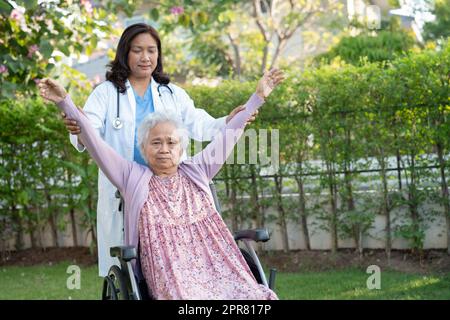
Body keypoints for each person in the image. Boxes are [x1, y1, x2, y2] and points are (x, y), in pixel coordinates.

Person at [39, 67, 284, 300]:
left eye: (171, 142)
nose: (164, 149)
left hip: (215, 263)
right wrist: (64, 101)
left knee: (252, 295)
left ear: (182, 147)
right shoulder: (131, 177)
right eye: (156, 143)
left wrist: (258, 96)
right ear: (144, 149)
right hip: (171, 274)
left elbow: (229, 135)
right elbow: (95, 144)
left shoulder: (197, 170)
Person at [63, 23, 257, 276]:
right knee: (136, 262)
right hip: (131, 187)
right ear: (125, 53)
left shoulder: (171, 93)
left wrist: (227, 121)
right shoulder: (106, 93)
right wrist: (77, 129)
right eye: (137, 50)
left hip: (171, 190)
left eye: (151, 51)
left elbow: (199, 124)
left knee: (181, 256)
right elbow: (89, 126)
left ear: (158, 55)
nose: (145, 57)